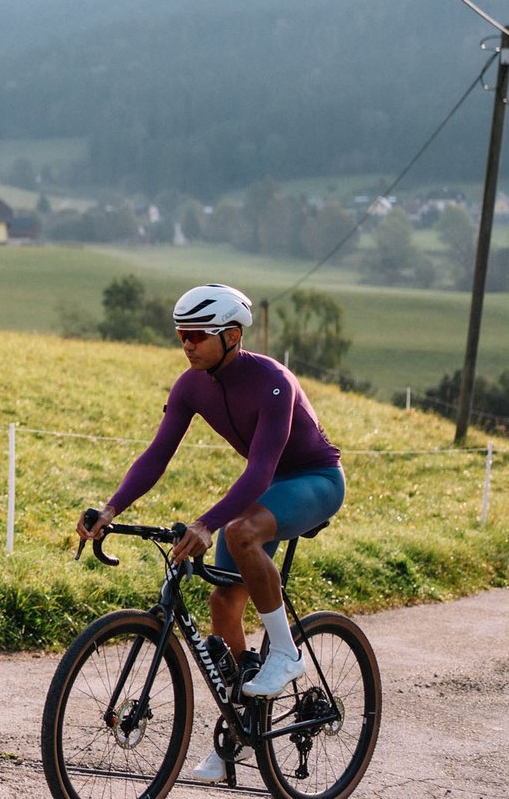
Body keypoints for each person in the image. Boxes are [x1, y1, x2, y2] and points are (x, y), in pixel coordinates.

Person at [75, 283, 345, 786]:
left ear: (232, 336)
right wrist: (111, 509)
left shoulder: (272, 383)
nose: (188, 345)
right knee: (223, 605)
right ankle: (236, 737)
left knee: (241, 533)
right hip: (265, 487)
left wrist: (206, 524)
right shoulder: (191, 385)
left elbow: (261, 471)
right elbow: (156, 456)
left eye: (197, 335)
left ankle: (286, 653)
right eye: (182, 335)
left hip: (313, 480)